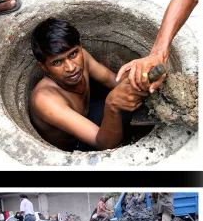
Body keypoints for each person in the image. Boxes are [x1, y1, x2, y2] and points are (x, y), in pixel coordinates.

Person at [29, 18, 148, 151]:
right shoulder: (45, 100)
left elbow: (114, 81)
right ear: (43, 67)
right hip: (75, 147)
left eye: (73, 54)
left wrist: (140, 74)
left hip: (89, 114)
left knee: (138, 104)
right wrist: (111, 106)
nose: (71, 67)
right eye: (57, 62)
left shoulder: (83, 57)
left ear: (80, 46)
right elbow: (105, 145)